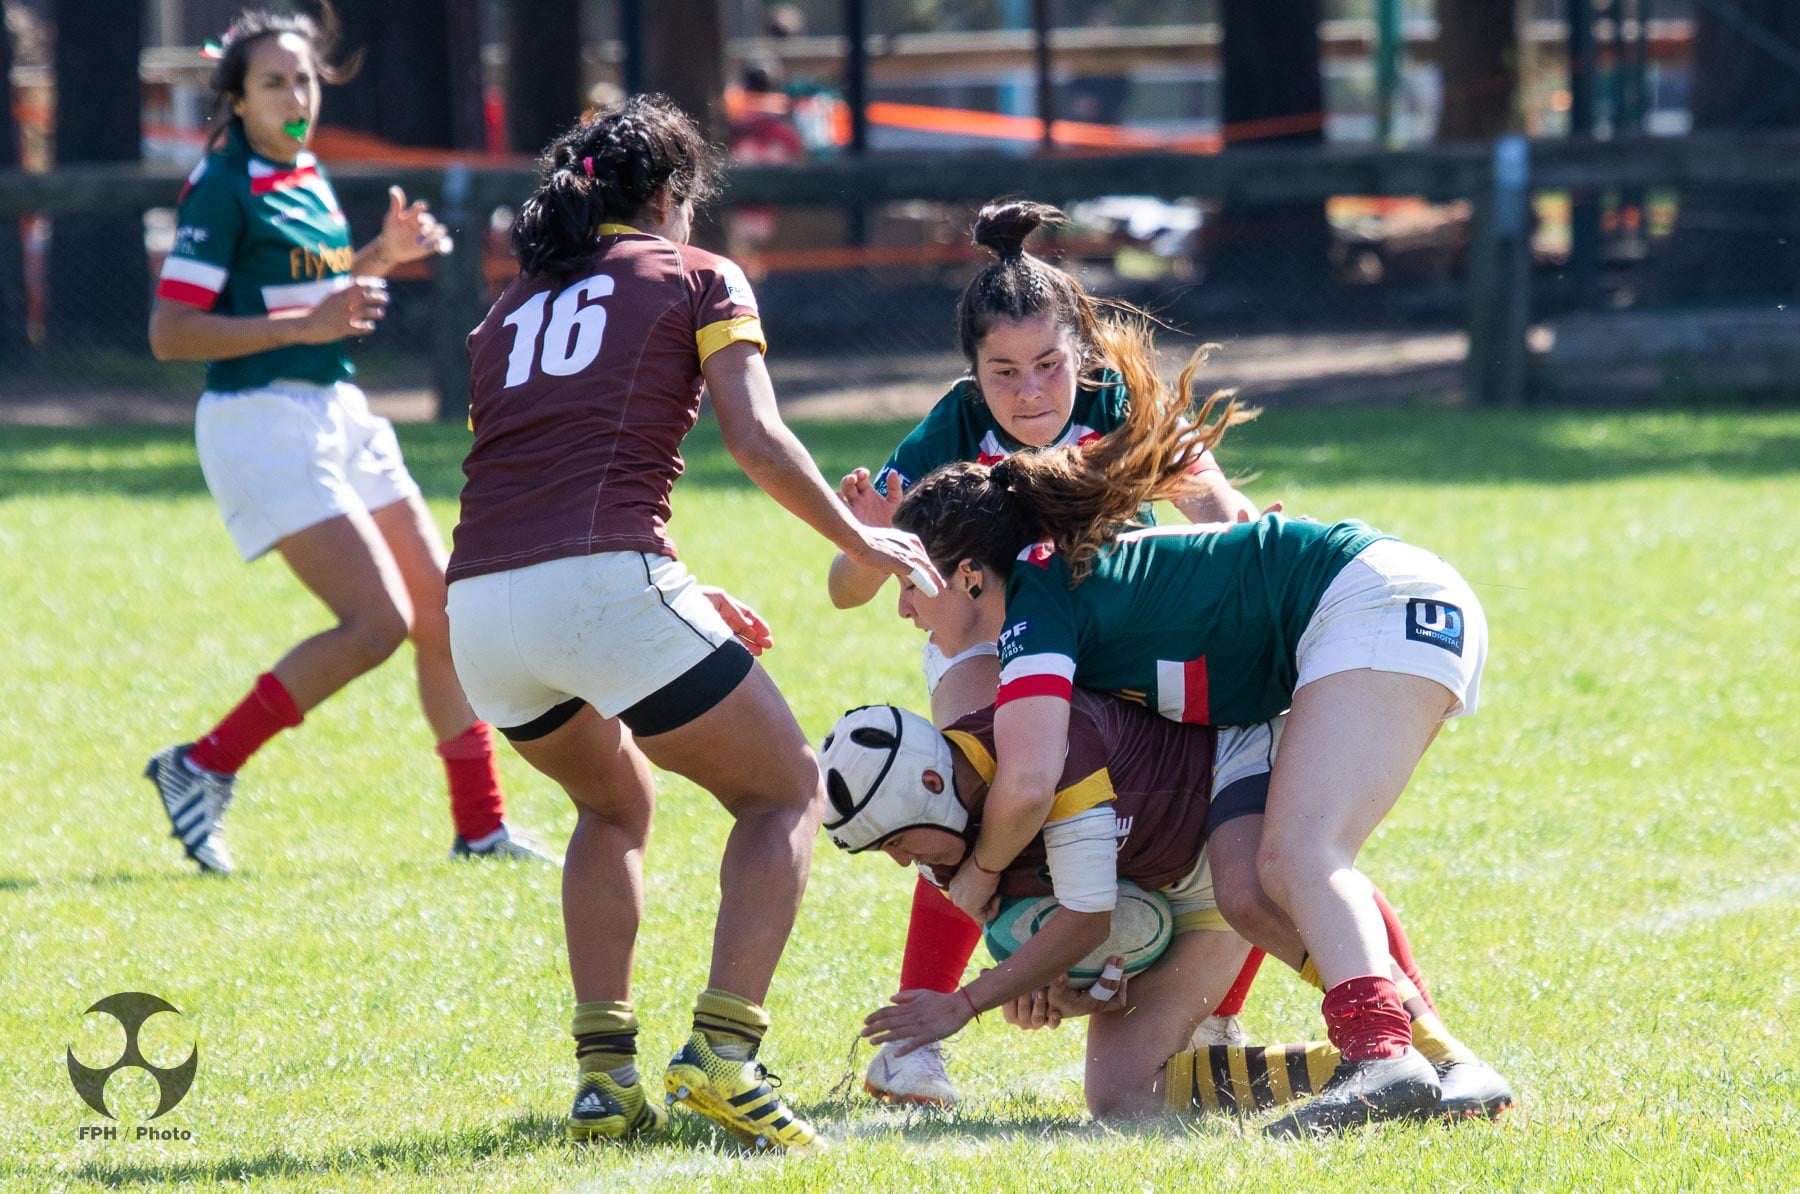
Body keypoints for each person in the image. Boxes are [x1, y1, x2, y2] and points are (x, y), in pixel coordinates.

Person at [443, 95, 941, 1151]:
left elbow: (541, 469)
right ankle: (724, 1054)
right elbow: (755, 439)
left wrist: (667, 587)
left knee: (612, 804)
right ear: (673, 194)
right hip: (599, 588)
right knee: (785, 789)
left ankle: (604, 1077)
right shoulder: (699, 275)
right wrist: (859, 535)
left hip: (479, 608)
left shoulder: (507, 308)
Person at [885, 324, 1499, 1135]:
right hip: (1342, 632)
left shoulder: (1037, 594)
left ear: (968, 576)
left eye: (909, 580)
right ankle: (1444, 1062)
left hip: (1374, 600)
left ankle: (1380, 1056)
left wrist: (976, 881)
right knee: (1249, 889)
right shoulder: (1044, 590)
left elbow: (1028, 783)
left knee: (1303, 854)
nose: (902, 607)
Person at [826, 199, 1265, 1108]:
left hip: (1111, 636)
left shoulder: (1122, 403)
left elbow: (1220, 513)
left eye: (1048, 366)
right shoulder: (951, 428)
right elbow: (843, 587)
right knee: (973, 796)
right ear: (972, 373)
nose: (1029, 392)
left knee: (1228, 802)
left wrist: (1245, 544)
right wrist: (871, 539)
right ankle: (915, 1045)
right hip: (989, 639)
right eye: (1004, 372)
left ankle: (1213, 1014)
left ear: (1083, 353)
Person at [143, 2, 549, 874]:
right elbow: (171, 333)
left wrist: (379, 256)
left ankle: (481, 828)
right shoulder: (222, 186)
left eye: (304, 80)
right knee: (376, 624)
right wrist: (309, 324)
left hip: (336, 408)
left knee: (443, 616)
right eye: (273, 83)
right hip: (259, 422)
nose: (295, 98)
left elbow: (314, 299)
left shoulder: (303, 170)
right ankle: (202, 765)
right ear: (236, 99)